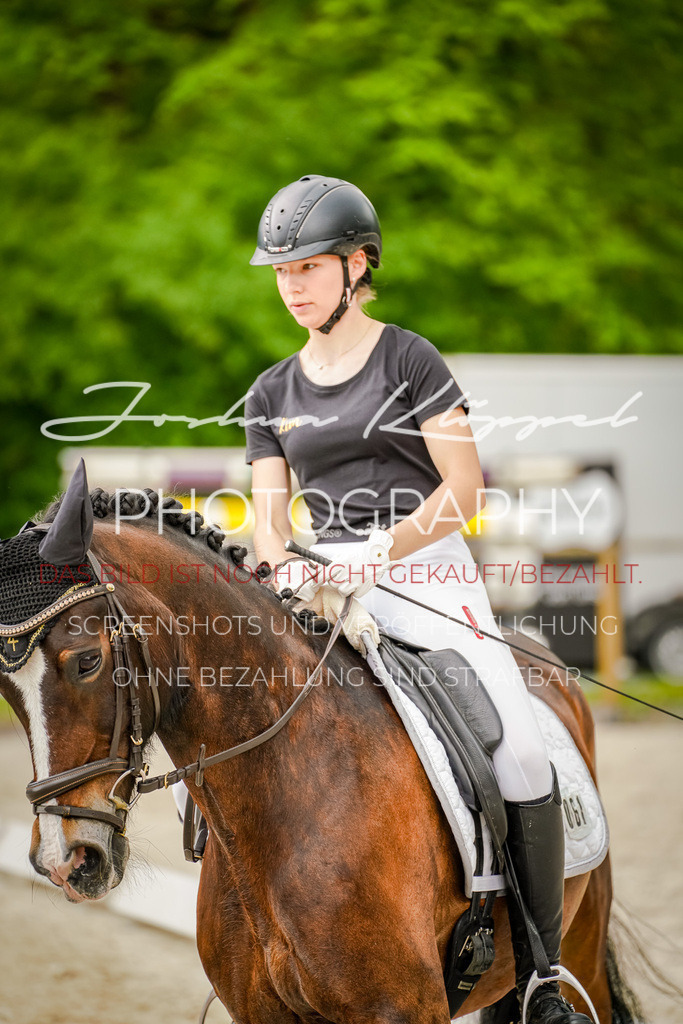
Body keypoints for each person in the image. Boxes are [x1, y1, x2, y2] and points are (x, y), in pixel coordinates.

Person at [244, 174, 592, 1024]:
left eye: (308, 269)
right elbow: (263, 521)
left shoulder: (409, 359)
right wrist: (291, 565)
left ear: (358, 266)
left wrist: (379, 548)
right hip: (323, 587)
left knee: (517, 749)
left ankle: (542, 973)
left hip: (428, 575)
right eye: (281, 272)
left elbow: (463, 487)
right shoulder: (268, 392)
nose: (292, 286)